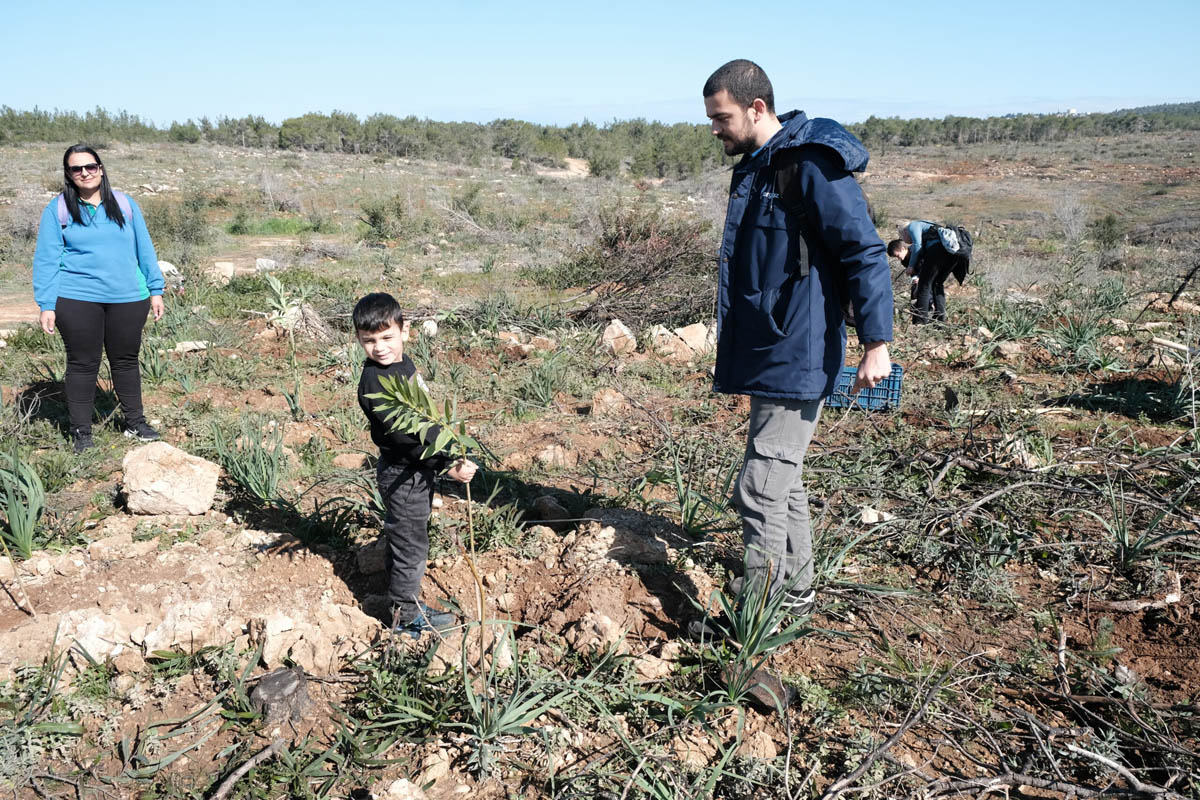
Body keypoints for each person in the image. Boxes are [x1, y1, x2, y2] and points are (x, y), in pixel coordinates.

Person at [696, 59, 894, 637]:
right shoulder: (762, 166)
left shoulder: (808, 164)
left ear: (757, 108)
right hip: (773, 346)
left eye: (722, 118)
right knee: (783, 476)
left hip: (798, 350)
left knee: (760, 486)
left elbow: (864, 251)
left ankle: (755, 619)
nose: (715, 129)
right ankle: (797, 591)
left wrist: (877, 343)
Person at [353, 292, 478, 637]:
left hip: (416, 470)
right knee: (411, 544)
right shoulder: (375, 383)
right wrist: (446, 464)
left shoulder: (402, 365)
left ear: (405, 331)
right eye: (369, 341)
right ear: (359, 340)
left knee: (406, 538)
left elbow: (423, 419)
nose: (380, 348)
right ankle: (405, 617)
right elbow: (404, 438)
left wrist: (450, 446)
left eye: (387, 337)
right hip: (402, 474)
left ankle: (398, 599)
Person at [32, 145, 165, 453]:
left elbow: (144, 248)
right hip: (76, 297)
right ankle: (82, 432)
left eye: (90, 166)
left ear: (101, 169)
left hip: (128, 297)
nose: (84, 173)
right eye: (76, 169)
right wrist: (46, 304)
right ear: (68, 174)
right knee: (82, 363)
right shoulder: (58, 209)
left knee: (125, 360)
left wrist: (155, 289)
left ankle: (135, 423)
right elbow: (47, 259)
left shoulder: (124, 203)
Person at [888, 221, 956, 324]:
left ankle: (920, 321)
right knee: (935, 285)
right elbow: (914, 273)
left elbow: (918, 246)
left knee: (924, 287)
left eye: (902, 236)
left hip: (937, 255)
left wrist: (914, 270)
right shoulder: (905, 260)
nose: (903, 239)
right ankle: (938, 320)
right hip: (947, 256)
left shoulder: (912, 228)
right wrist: (915, 278)